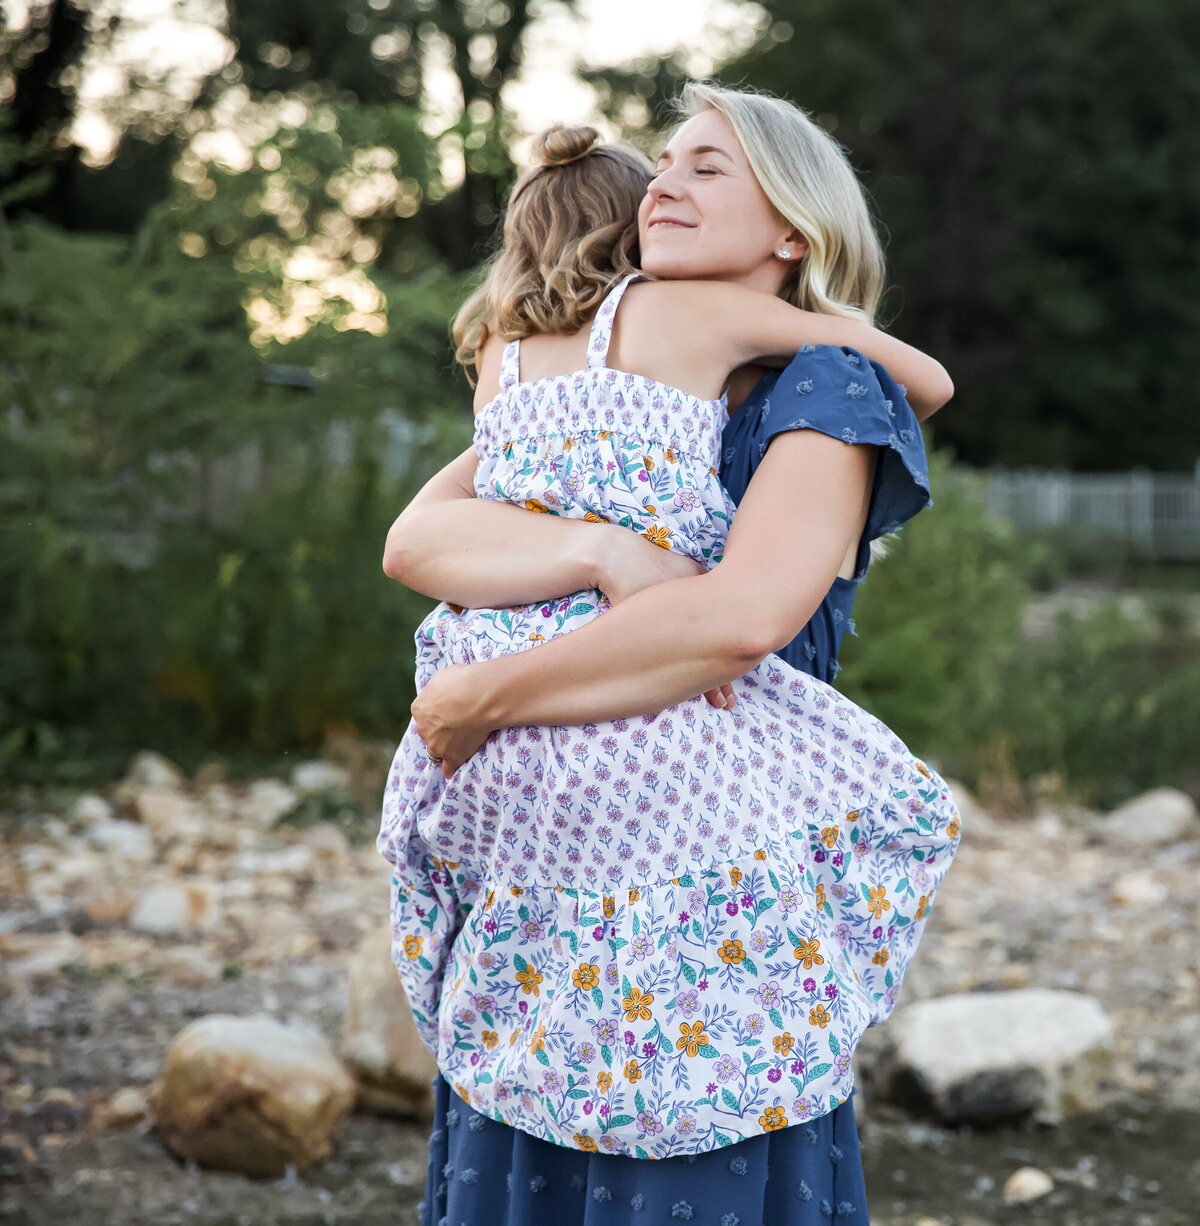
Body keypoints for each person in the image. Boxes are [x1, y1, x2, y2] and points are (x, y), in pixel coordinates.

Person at [378, 85, 961, 1226]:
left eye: (708, 167)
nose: (666, 186)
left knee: (681, 1153)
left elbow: (738, 619)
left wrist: (478, 695)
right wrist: (599, 545)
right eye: (666, 166)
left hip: (690, 886)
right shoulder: (599, 367)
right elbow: (424, 535)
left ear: (793, 224)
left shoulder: (827, 384)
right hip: (544, 894)